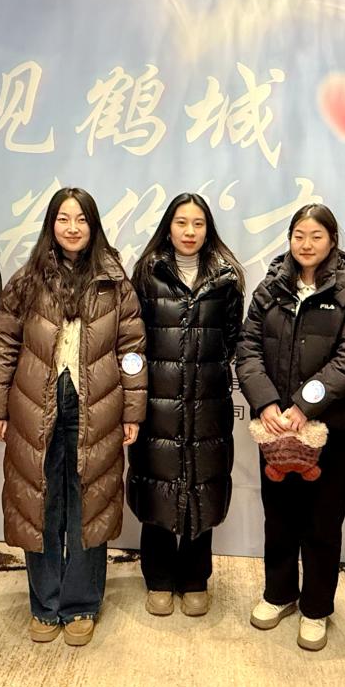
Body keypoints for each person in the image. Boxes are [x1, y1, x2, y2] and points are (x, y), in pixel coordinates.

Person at [0, 187, 146, 646]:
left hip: (98, 408)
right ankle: (44, 603)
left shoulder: (115, 283)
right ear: (51, 225)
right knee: (40, 505)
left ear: (94, 226)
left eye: (81, 220)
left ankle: (81, 604)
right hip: (35, 406)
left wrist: (132, 411)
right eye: (63, 219)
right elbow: (2, 344)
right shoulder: (27, 280)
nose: (72, 228)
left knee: (89, 505)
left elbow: (132, 350)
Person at [236, 203, 345, 651]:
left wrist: (305, 404)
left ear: (332, 240)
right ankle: (279, 594)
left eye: (316, 236)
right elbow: (248, 347)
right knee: (278, 517)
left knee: (322, 522)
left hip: (328, 428)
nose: (307, 244)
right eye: (299, 235)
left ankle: (316, 607)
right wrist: (267, 403)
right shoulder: (271, 287)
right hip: (275, 427)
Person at [128, 193, 245, 618]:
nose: (190, 232)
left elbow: (231, 340)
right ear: (168, 227)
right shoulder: (147, 274)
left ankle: (196, 578)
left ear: (208, 229)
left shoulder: (226, 278)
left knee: (202, 487)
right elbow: (133, 339)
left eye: (198, 224)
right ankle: (158, 578)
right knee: (157, 485)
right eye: (181, 223)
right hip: (156, 403)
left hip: (207, 404)